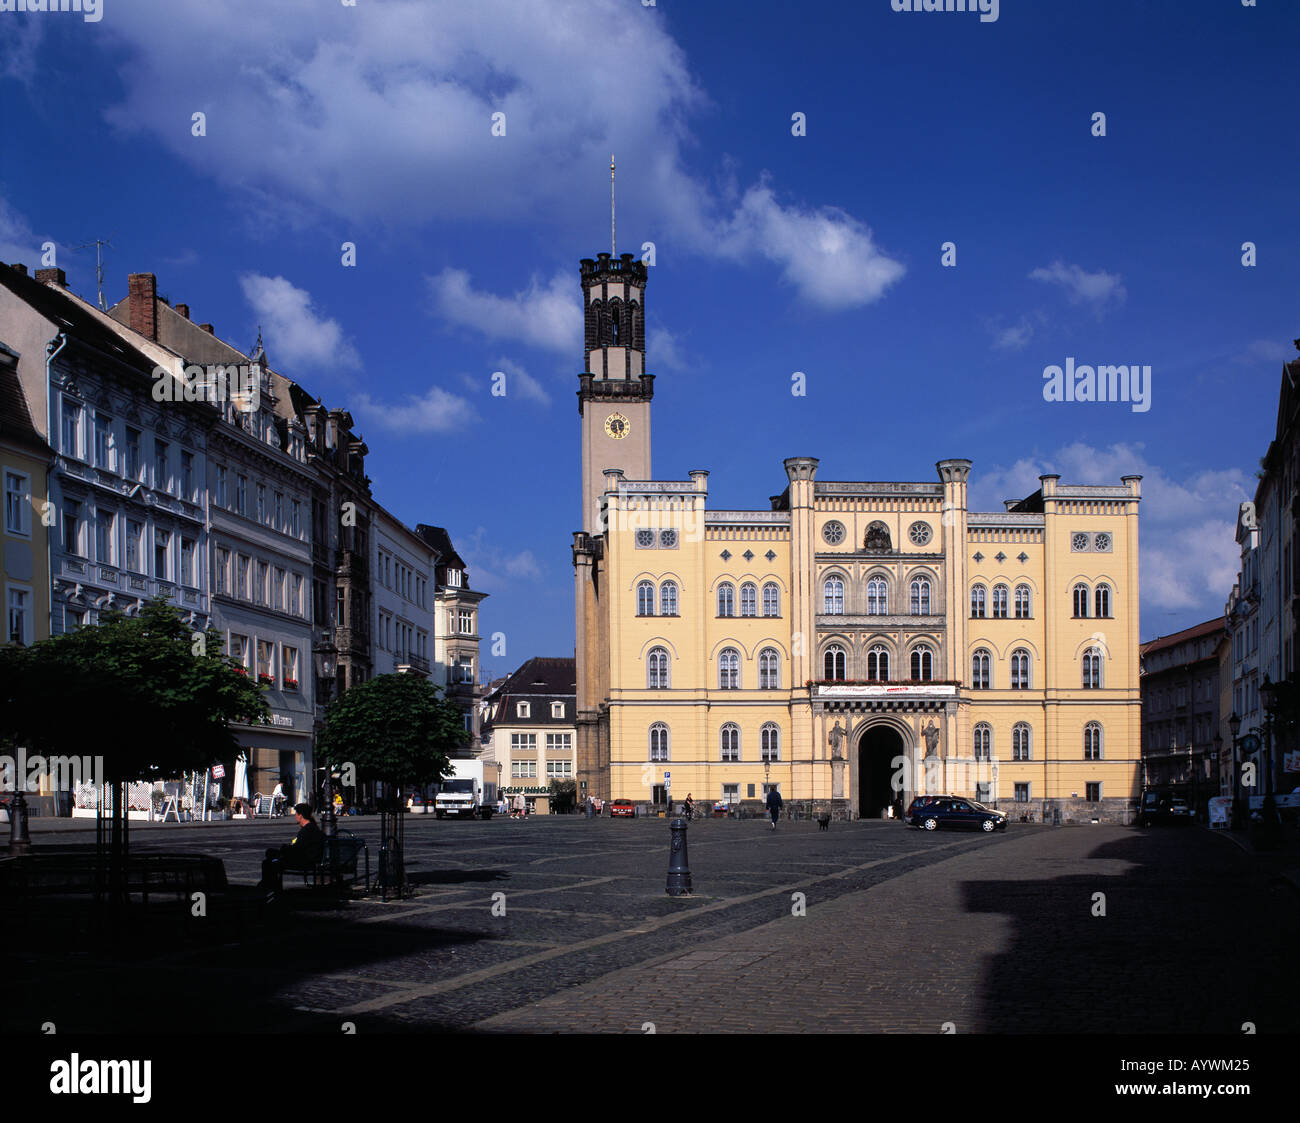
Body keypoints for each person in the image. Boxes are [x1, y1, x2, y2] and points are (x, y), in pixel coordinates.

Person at [258, 803, 325, 896]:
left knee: (270, 860)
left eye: (296, 814)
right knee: (270, 859)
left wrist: (285, 849)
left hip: (305, 861)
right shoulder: (311, 828)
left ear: (300, 816)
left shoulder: (307, 830)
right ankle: (269, 885)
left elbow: (298, 849)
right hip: (306, 858)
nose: (295, 816)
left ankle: (270, 887)